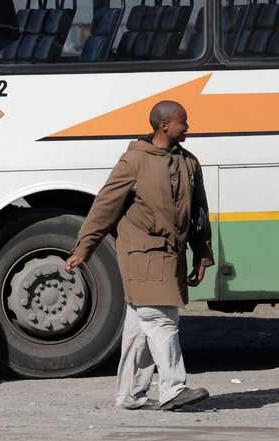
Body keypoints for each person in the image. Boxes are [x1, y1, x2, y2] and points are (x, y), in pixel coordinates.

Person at [64, 100, 213, 411]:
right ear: (164, 126)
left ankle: (131, 395)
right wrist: (84, 248)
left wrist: (202, 253)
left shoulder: (189, 162)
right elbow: (104, 207)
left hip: (172, 256)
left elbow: (199, 213)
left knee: (138, 327)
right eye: (182, 122)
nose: (187, 127)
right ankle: (173, 388)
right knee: (162, 318)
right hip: (141, 253)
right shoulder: (133, 161)